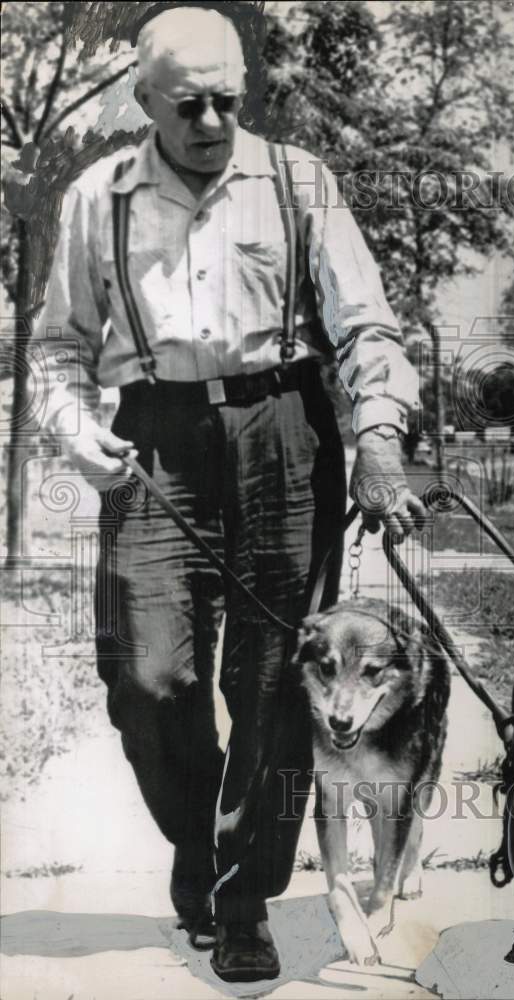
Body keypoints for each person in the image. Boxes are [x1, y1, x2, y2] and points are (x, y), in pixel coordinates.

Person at [38, 3, 424, 983]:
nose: (210, 123)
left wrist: (378, 436)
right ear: (145, 102)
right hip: (152, 436)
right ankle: (201, 851)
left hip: (283, 431)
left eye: (226, 101)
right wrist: (83, 435)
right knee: (148, 679)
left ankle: (244, 896)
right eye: (187, 106)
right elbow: (55, 350)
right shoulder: (99, 198)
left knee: (272, 684)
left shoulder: (299, 182)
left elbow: (368, 328)